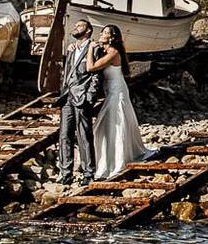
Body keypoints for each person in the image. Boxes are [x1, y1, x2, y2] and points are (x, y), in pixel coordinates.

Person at [86, 25, 152, 179]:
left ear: (112, 37)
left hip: (117, 92)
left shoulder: (113, 52)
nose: (102, 34)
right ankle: (105, 160)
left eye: (106, 32)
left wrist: (89, 49)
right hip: (111, 91)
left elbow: (91, 67)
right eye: (102, 31)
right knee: (105, 126)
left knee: (115, 124)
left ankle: (117, 161)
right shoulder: (104, 51)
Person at [57, 19, 103, 186]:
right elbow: (68, 72)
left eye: (80, 25)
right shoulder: (71, 49)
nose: (75, 27)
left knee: (84, 135)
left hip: (82, 97)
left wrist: (90, 97)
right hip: (67, 97)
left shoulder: (94, 48)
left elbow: (96, 75)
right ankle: (65, 172)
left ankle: (88, 173)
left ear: (88, 31)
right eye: (76, 25)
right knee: (64, 135)